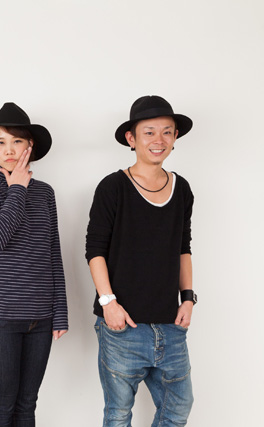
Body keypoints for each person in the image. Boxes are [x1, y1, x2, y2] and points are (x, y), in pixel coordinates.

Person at [86, 95, 197, 426]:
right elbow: (95, 250)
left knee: (179, 406)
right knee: (119, 413)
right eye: (149, 132)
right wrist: (108, 303)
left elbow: (184, 248)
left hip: (170, 324)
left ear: (175, 138)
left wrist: (188, 298)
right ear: (131, 139)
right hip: (123, 325)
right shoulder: (113, 187)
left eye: (167, 132)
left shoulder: (182, 189)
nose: (158, 140)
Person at [0, 102, 68, 426]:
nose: (9, 150)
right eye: (0, 142)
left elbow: (53, 253)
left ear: (30, 146)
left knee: (27, 405)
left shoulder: (46, 193)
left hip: (41, 317)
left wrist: (60, 312)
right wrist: (18, 189)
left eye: (16, 141)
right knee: (2, 404)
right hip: (0, 316)